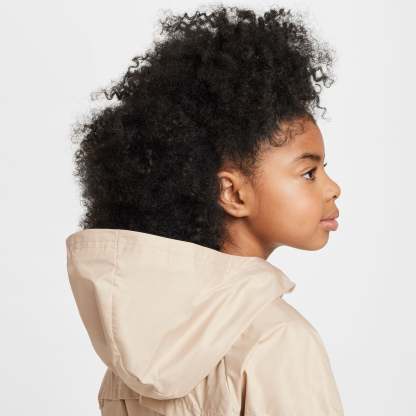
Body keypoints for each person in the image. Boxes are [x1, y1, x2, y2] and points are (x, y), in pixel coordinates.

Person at [66, 5, 344, 415]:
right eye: (308, 172)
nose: (333, 188)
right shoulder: (277, 340)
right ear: (232, 193)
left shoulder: (136, 351)